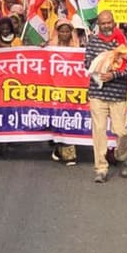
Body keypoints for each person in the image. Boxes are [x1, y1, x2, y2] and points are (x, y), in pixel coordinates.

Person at [84, 11, 127, 183]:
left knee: (121, 131)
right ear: (99, 24)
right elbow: (87, 63)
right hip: (97, 93)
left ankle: (122, 158)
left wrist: (113, 75)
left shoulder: (122, 40)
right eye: (103, 23)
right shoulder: (93, 41)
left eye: (109, 22)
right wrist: (100, 70)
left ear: (114, 22)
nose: (106, 26)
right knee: (99, 131)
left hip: (117, 93)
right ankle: (101, 168)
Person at [46, 17, 80, 165]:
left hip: (71, 91)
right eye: (62, 31)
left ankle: (69, 154)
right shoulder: (50, 47)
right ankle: (58, 147)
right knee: (56, 120)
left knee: (68, 121)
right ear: (57, 32)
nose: (65, 34)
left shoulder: (77, 49)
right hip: (53, 90)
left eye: (67, 31)